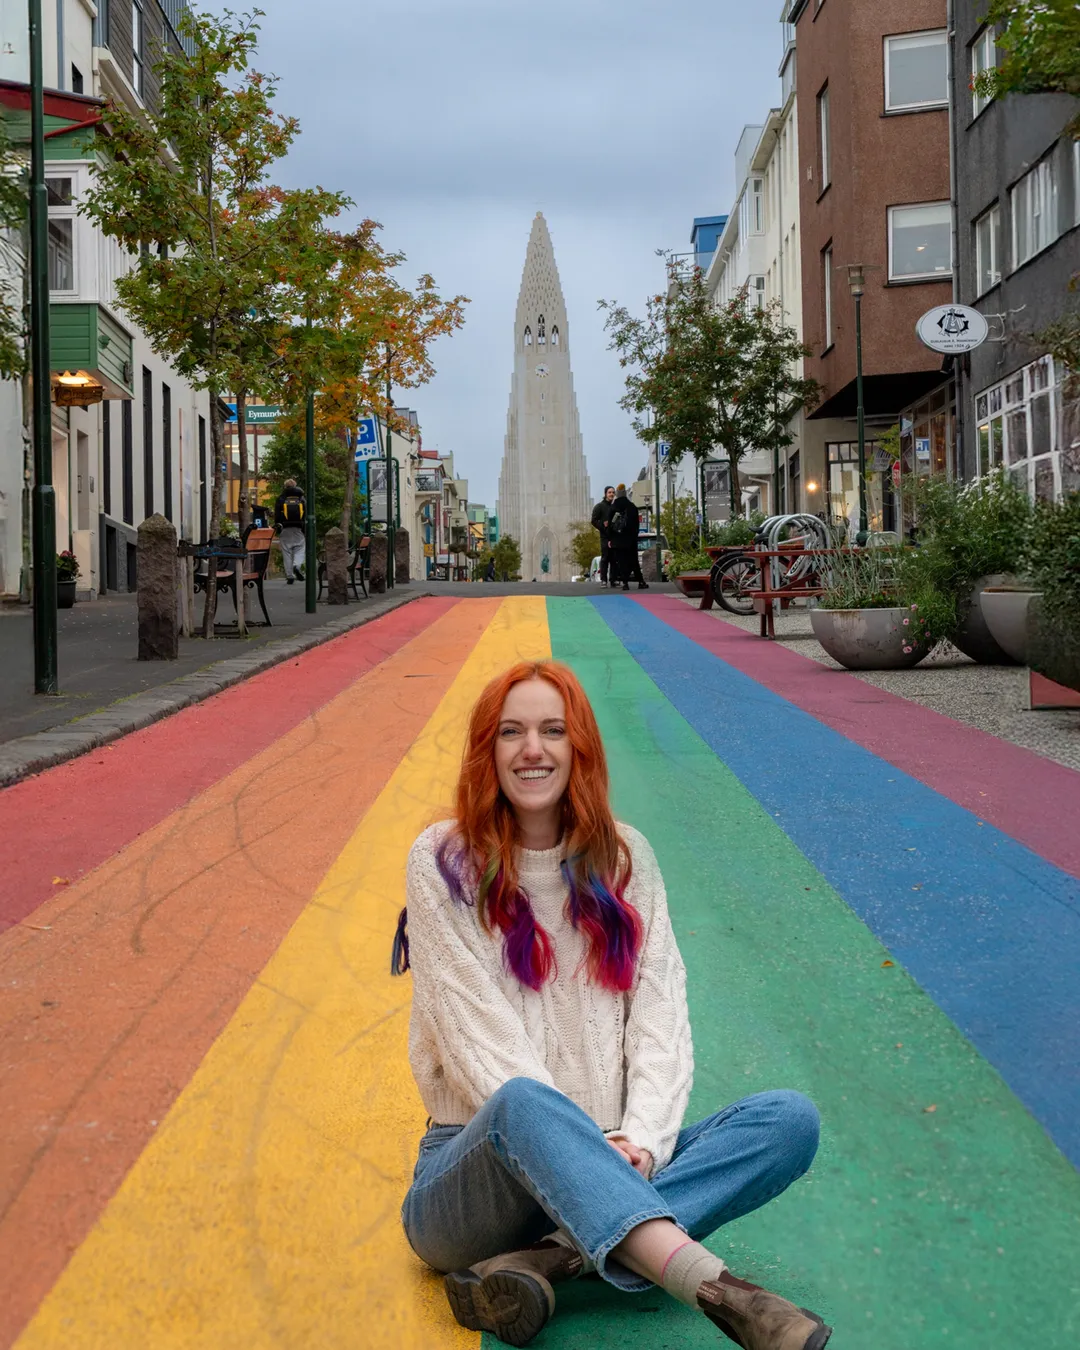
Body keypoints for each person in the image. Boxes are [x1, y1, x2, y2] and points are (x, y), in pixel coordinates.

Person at [392, 661, 830, 1350]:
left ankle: (548, 1260)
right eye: (511, 732)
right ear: (488, 751)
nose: (532, 749)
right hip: (474, 1175)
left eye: (552, 731)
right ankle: (717, 1290)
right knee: (523, 1101)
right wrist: (590, 1149)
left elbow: (662, 1021)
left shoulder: (627, 860)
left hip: (617, 1153)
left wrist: (645, 1145)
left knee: (787, 1122)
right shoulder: (443, 860)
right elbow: (479, 1043)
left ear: (581, 748)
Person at [608, 485, 643, 592]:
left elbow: (610, 525)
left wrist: (610, 539)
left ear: (617, 494)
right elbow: (637, 525)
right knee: (634, 560)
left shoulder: (613, 507)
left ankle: (625, 583)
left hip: (618, 539)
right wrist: (634, 536)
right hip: (631, 540)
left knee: (621, 561)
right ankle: (641, 582)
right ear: (625, 493)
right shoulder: (632, 507)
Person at [274, 479, 306, 584]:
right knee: (300, 549)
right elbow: (305, 514)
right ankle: (297, 565)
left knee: (286, 552)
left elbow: (277, 515)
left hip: (285, 529)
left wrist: (278, 528)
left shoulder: (281, 498)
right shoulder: (301, 498)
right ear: (295, 486)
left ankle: (289, 575)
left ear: (285, 487)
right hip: (298, 528)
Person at [591, 486, 616, 586]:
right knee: (605, 557)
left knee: (614, 558)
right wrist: (602, 525)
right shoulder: (599, 506)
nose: (611, 494)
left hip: (614, 536)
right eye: (609, 492)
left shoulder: (615, 506)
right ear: (605, 494)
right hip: (605, 536)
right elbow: (593, 520)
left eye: (613, 492)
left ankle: (613, 580)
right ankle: (604, 580)